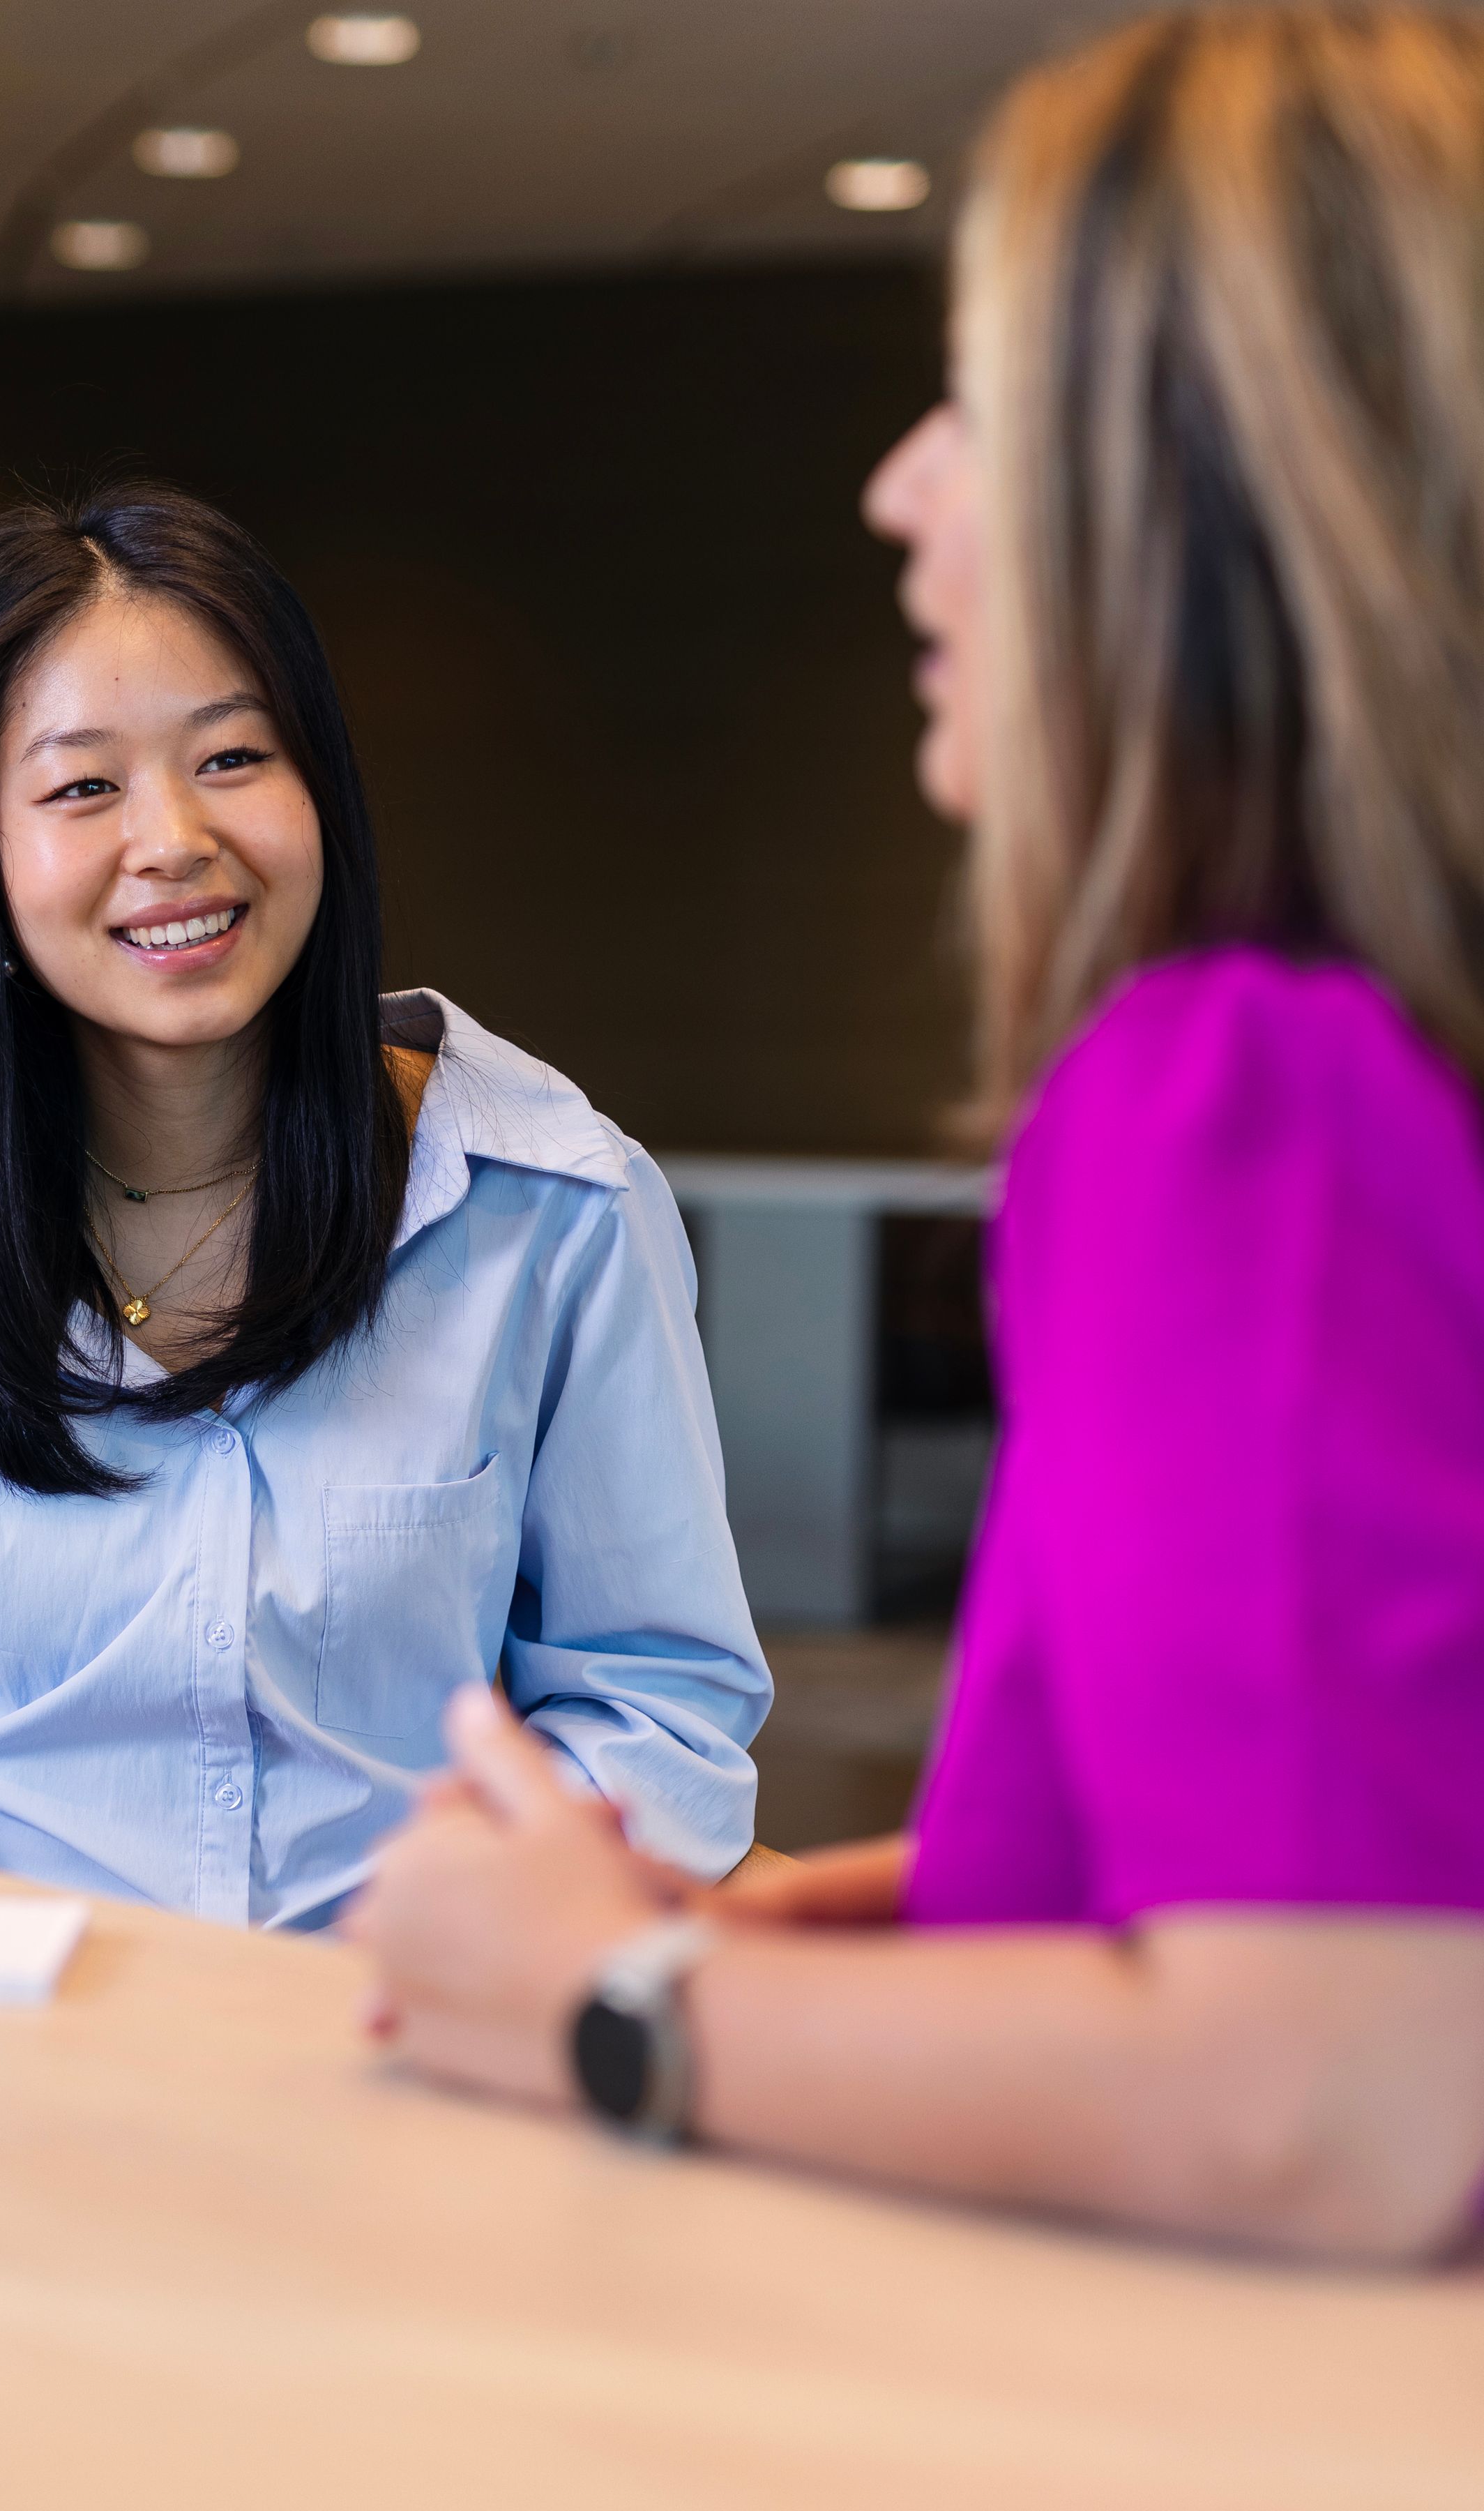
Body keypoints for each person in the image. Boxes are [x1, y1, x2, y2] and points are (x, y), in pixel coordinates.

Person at [351, 3, 1484, 2261]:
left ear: (1192, 490)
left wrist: (614, 1995)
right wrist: (781, 1927)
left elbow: (1336, 2092)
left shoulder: (1237, 1095)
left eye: (978, 402)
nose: (903, 489)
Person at [0, 487, 769, 1926]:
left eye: (233, 756)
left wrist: (455, 1946)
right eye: (82, 787)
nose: (173, 838)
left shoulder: (552, 1211)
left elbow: (659, 1708)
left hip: (401, 2055)